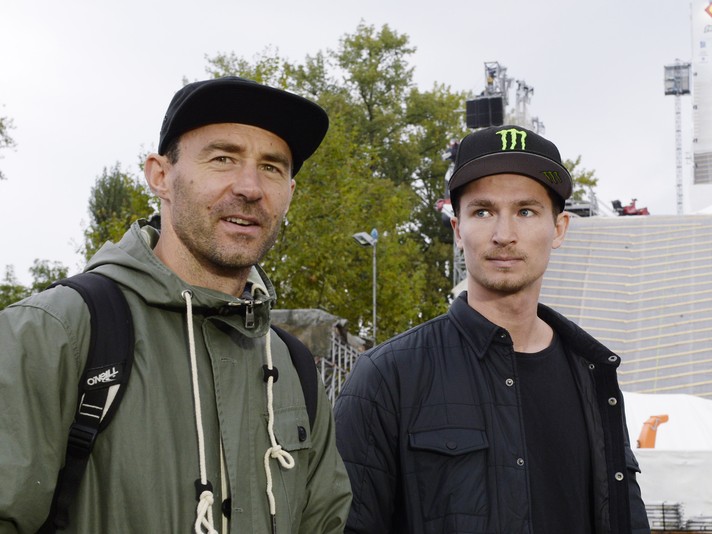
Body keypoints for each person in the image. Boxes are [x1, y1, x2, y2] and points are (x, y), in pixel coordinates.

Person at [0, 76, 351, 533]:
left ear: (289, 193)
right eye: (223, 158)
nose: (249, 187)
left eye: (272, 167)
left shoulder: (293, 368)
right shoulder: (54, 333)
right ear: (160, 176)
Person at [334, 125, 650, 534]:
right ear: (457, 230)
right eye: (482, 211)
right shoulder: (388, 376)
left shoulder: (595, 375)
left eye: (526, 211)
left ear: (558, 229)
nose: (504, 235)